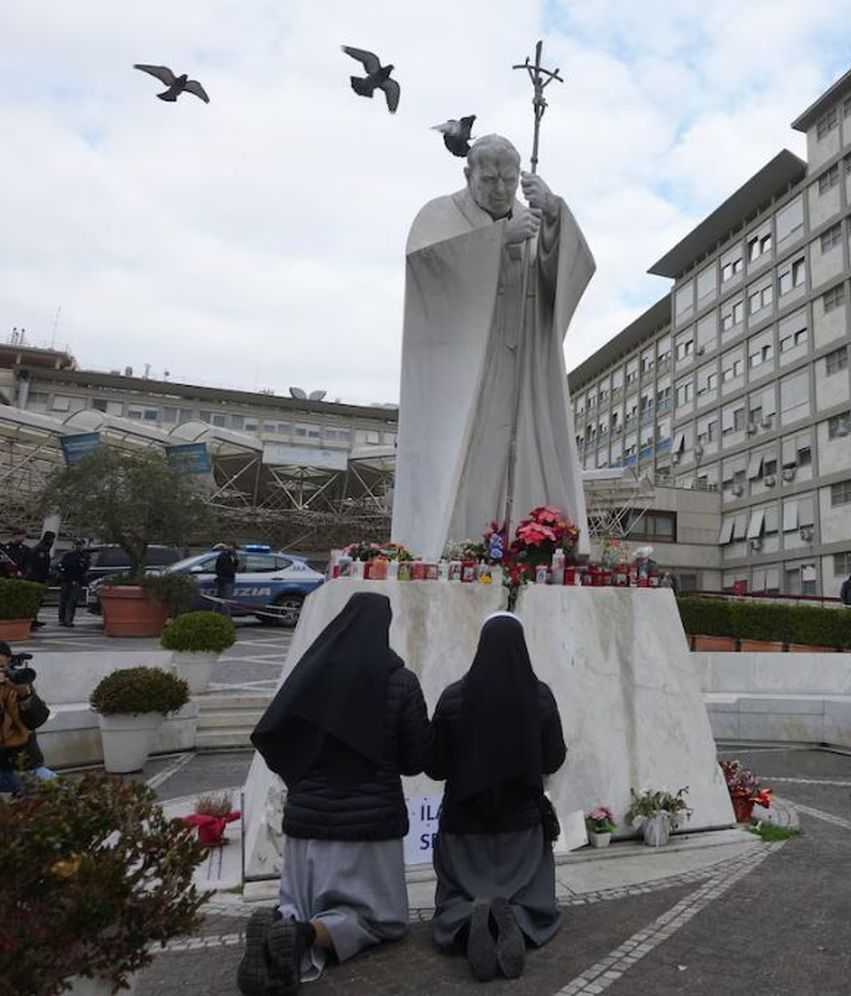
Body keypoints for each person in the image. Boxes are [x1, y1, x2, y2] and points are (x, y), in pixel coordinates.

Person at [394, 134, 596, 561]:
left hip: (522, 364)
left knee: (523, 453)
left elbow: (566, 278)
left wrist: (556, 216)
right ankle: (458, 547)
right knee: (471, 456)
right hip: (469, 369)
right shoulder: (440, 215)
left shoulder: (532, 218)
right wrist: (499, 240)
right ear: (469, 174)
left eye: (508, 179)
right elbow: (426, 271)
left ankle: (529, 543)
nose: (501, 188)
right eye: (489, 179)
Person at [240, 593, 432, 994]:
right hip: (368, 827)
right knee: (378, 918)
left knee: (299, 902)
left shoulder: (313, 673)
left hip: (306, 822)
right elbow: (416, 760)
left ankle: (282, 924)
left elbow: (277, 733)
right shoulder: (400, 681)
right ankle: (304, 937)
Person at [426, 612, 566, 982]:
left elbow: (435, 765)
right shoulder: (540, 696)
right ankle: (516, 919)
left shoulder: (453, 696)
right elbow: (555, 758)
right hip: (521, 828)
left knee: (456, 894)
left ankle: (468, 922)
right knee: (531, 894)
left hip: (462, 826)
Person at [0, 642, 53, 794]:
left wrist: (25, 695)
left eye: (3, 667)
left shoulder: (15, 684)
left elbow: (37, 720)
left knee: (64, 793)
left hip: (22, 765)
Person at [57, 538, 90, 627]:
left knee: (73, 601)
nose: (79, 546)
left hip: (77, 580)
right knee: (64, 600)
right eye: (78, 545)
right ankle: (61, 619)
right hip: (67, 579)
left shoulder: (85, 556)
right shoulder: (68, 555)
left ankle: (69, 620)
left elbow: (84, 568)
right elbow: (65, 566)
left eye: (81, 545)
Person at [214, 543, 239, 618]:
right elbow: (229, 570)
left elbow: (233, 569)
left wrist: (236, 560)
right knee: (226, 602)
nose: (235, 551)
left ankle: (217, 617)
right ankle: (226, 619)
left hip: (224, 580)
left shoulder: (227, 556)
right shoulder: (224, 557)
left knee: (220, 601)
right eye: (234, 549)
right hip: (225, 581)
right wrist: (236, 560)